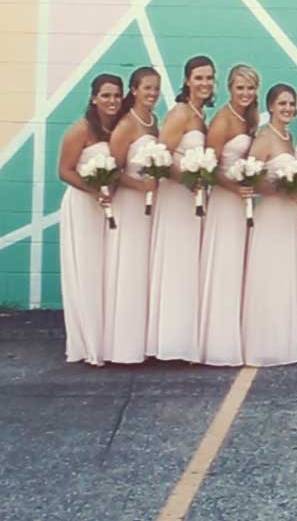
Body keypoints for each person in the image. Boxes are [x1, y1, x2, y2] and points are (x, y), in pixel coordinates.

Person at [148, 56, 213, 362]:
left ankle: (187, 340)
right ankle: (170, 344)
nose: (204, 83)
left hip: (194, 199)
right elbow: (159, 158)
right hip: (176, 199)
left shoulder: (200, 115)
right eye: (198, 78)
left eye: (209, 78)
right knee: (176, 266)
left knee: (190, 267)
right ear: (187, 80)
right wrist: (187, 180)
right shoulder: (180, 114)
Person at [57, 72, 122, 365]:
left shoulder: (118, 128)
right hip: (84, 206)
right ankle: (89, 344)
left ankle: (109, 340)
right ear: (94, 98)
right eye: (106, 95)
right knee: (87, 271)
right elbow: (65, 170)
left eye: (117, 95)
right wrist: (94, 189)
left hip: (109, 207)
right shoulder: (80, 130)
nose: (112, 101)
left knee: (107, 271)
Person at [199, 64, 259, 366]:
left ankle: (240, 334)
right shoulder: (222, 120)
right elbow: (208, 167)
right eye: (240, 88)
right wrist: (233, 188)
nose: (245, 93)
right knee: (225, 265)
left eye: (250, 88)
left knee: (241, 267)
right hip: (225, 201)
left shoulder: (250, 118)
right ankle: (219, 343)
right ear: (229, 89)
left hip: (244, 201)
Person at [245, 83, 297, 367]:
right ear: (270, 107)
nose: (288, 109)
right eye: (282, 104)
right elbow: (250, 178)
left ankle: (284, 341)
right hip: (270, 215)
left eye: (291, 104)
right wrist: (281, 189)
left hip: (288, 216)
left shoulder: (288, 137)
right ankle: (264, 344)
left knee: (285, 275)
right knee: (269, 275)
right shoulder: (264, 138)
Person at [103, 66, 160, 365]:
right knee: (128, 270)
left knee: (143, 272)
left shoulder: (153, 122)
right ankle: (122, 347)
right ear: (134, 90)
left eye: (155, 89)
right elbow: (112, 170)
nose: (152, 93)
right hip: (129, 202)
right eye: (146, 88)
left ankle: (142, 341)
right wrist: (139, 186)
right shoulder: (126, 125)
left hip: (148, 207)